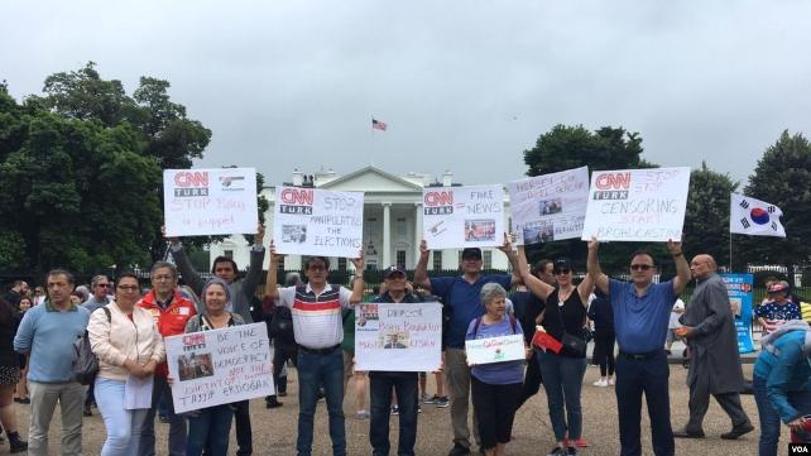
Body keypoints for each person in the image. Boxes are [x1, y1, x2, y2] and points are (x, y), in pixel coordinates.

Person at [413, 235, 520, 456]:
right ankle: (461, 441)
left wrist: (509, 252)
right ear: (462, 261)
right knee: (459, 398)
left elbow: (520, 276)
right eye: (468, 258)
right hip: (456, 348)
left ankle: (485, 440)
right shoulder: (451, 283)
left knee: (483, 401)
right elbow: (420, 279)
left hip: (485, 350)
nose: (472, 261)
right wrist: (425, 256)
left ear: (481, 262)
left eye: (475, 258)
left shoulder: (491, 282)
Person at [587, 238, 690, 456]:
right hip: (626, 362)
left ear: (654, 270)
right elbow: (595, 273)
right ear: (630, 270)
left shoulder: (664, 291)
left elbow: (685, 277)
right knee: (627, 416)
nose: (640, 270)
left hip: (654, 361)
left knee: (660, 415)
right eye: (635, 266)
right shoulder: (618, 289)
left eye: (645, 266)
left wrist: (677, 254)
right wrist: (593, 250)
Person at [169, 225, 265, 456]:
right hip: (204, 382)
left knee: (231, 427)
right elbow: (187, 270)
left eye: (227, 269)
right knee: (198, 438)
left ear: (234, 273)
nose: (223, 273)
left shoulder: (242, 293)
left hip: (233, 379)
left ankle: (245, 450)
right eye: (219, 269)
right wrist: (175, 244)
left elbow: (255, 271)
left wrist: (258, 242)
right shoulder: (199, 305)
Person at [265, 241, 365, 456]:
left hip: (333, 357)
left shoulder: (337, 292)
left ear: (328, 271)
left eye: (322, 267)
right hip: (307, 357)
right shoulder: (295, 293)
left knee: (336, 410)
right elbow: (271, 293)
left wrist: (359, 270)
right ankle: (304, 452)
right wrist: (273, 263)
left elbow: (357, 298)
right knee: (306, 410)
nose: (318, 270)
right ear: (306, 271)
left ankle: (340, 451)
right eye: (313, 267)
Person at [518, 251, 594, 455]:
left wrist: (592, 249)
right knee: (554, 401)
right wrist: (520, 248)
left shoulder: (581, 294)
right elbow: (525, 274)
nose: (561, 274)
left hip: (572, 357)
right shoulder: (549, 293)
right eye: (558, 271)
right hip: (549, 354)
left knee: (573, 402)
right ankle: (561, 441)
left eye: (565, 270)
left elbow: (594, 272)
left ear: (572, 272)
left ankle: (574, 445)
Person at [672, 254, 753, 440]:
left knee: (699, 385)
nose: (691, 267)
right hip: (707, 345)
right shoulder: (706, 283)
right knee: (716, 386)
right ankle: (740, 421)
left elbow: (719, 316)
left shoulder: (713, 284)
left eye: (696, 264)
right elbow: (707, 312)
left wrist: (694, 331)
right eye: (691, 264)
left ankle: (694, 427)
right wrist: (687, 321)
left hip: (709, 347)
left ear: (709, 265)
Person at [13, 269, 90, 456]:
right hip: (41, 381)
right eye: (51, 285)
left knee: (73, 430)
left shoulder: (85, 314)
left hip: (74, 381)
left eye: (60, 284)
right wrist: (44, 354)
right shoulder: (33, 314)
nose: (55, 289)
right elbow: (19, 344)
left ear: (71, 287)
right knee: (38, 431)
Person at [88, 273, 165, 455]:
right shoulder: (102, 314)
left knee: (135, 434)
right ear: (116, 290)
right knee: (120, 434)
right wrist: (129, 364)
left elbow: (159, 342)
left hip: (142, 381)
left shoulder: (146, 315)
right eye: (124, 287)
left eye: (134, 287)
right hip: (112, 380)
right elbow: (100, 346)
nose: (129, 291)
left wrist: (153, 362)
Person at [137, 262, 198, 456]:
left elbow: (195, 338)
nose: (163, 280)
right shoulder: (139, 306)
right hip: (148, 371)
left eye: (167, 277)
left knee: (179, 419)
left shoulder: (188, 306)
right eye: (158, 277)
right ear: (152, 280)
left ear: (175, 280)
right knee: (144, 420)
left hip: (178, 372)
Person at [183, 278, 246, 456]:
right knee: (196, 441)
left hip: (228, 391)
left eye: (220, 293)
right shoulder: (194, 322)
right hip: (200, 393)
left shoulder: (238, 321)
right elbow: (185, 356)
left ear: (227, 298)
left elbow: (246, 351)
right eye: (211, 293)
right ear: (204, 297)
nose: (215, 297)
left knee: (220, 441)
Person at [465, 283, 526, 456]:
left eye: (502, 301)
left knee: (505, 419)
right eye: (497, 302)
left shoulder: (514, 323)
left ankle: (500, 452)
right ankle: (488, 451)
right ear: (486, 304)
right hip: (483, 380)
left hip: (511, 380)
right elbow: (468, 349)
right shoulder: (475, 324)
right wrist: (470, 357)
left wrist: (525, 352)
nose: (501, 305)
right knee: (485, 420)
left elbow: (523, 345)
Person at [368, 266, 423, 456]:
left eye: (400, 277)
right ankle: (380, 450)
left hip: (408, 368)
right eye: (392, 277)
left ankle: (406, 451)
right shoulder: (375, 304)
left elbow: (431, 324)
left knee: (409, 414)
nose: (396, 280)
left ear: (406, 280)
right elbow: (365, 333)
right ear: (386, 281)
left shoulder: (418, 303)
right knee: (378, 414)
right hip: (380, 368)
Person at [753, 319, 811, 455]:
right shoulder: (794, 346)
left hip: (801, 381)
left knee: (805, 430)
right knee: (771, 432)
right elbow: (774, 388)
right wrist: (790, 415)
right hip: (767, 380)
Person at [515, 259, 555, 411]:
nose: (555, 275)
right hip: (542, 347)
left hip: (551, 347)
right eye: (551, 272)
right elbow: (532, 323)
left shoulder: (554, 291)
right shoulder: (536, 297)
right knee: (531, 388)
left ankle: (563, 429)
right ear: (540, 274)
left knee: (551, 391)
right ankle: (503, 421)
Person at [264, 272, 301, 409]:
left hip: (280, 338)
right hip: (294, 338)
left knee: (276, 369)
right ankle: (311, 394)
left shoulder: (281, 293)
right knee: (302, 369)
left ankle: (270, 396)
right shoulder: (298, 294)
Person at [82, 274, 114, 417]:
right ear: (93, 287)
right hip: (92, 347)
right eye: (101, 285)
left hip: (111, 344)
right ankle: (86, 402)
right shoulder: (86, 307)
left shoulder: (113, 303)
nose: (105, 288)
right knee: (92, 375)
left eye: (107, 285)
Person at [0, 297, 27, 453]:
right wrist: (21, 363)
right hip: (8, 362)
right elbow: (19, 339)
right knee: (6, 403)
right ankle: (14, 440)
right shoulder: (8, 311)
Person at [588, 288, 615, 387]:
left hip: (600, 329)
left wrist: (597, 317)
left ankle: (603, 378)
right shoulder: (612, 301)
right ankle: (611, 378)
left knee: (602, 353)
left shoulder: (596, 301)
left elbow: (590, 315)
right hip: (612, 329)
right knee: (610, 353)